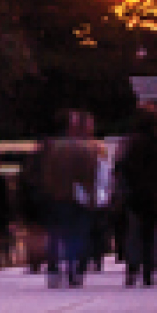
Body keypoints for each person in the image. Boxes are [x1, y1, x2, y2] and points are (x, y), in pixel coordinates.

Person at [32, 112, 103, 289]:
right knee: (77, 234)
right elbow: (90, 176)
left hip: (56, 196)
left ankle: (54, 270)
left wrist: (48, 192)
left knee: (55, 235)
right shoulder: (86, 149)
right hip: (78, 198)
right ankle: (74, 269)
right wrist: (92, 198)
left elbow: (45, 174)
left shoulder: (53, 149)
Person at [111, 119, 157, 287]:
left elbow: (121, 168)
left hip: (134, 194)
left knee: (133, 231)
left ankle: (132, 269)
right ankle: (149, 270)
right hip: (153, 194)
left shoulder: (130, 144)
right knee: (150, 232)